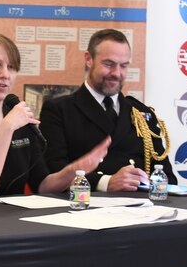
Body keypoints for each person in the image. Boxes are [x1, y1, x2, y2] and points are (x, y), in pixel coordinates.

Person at [0, 32, 109, 199]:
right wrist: (7, 127)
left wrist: (73, 170)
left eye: (11, 67)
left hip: (8, 220)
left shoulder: (20, 121)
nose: (5, 75)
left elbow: (42, 185)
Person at [40, 28, 176, 192]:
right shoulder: (59, 110)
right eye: (109, 64)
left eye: (124, 66)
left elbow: (167, 176)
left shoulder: (141, 114)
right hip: (84, 209)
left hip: (139, 209)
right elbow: (52, 178)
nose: (117, 73)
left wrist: (142, 180)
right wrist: (105, 182)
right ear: (89, 59)